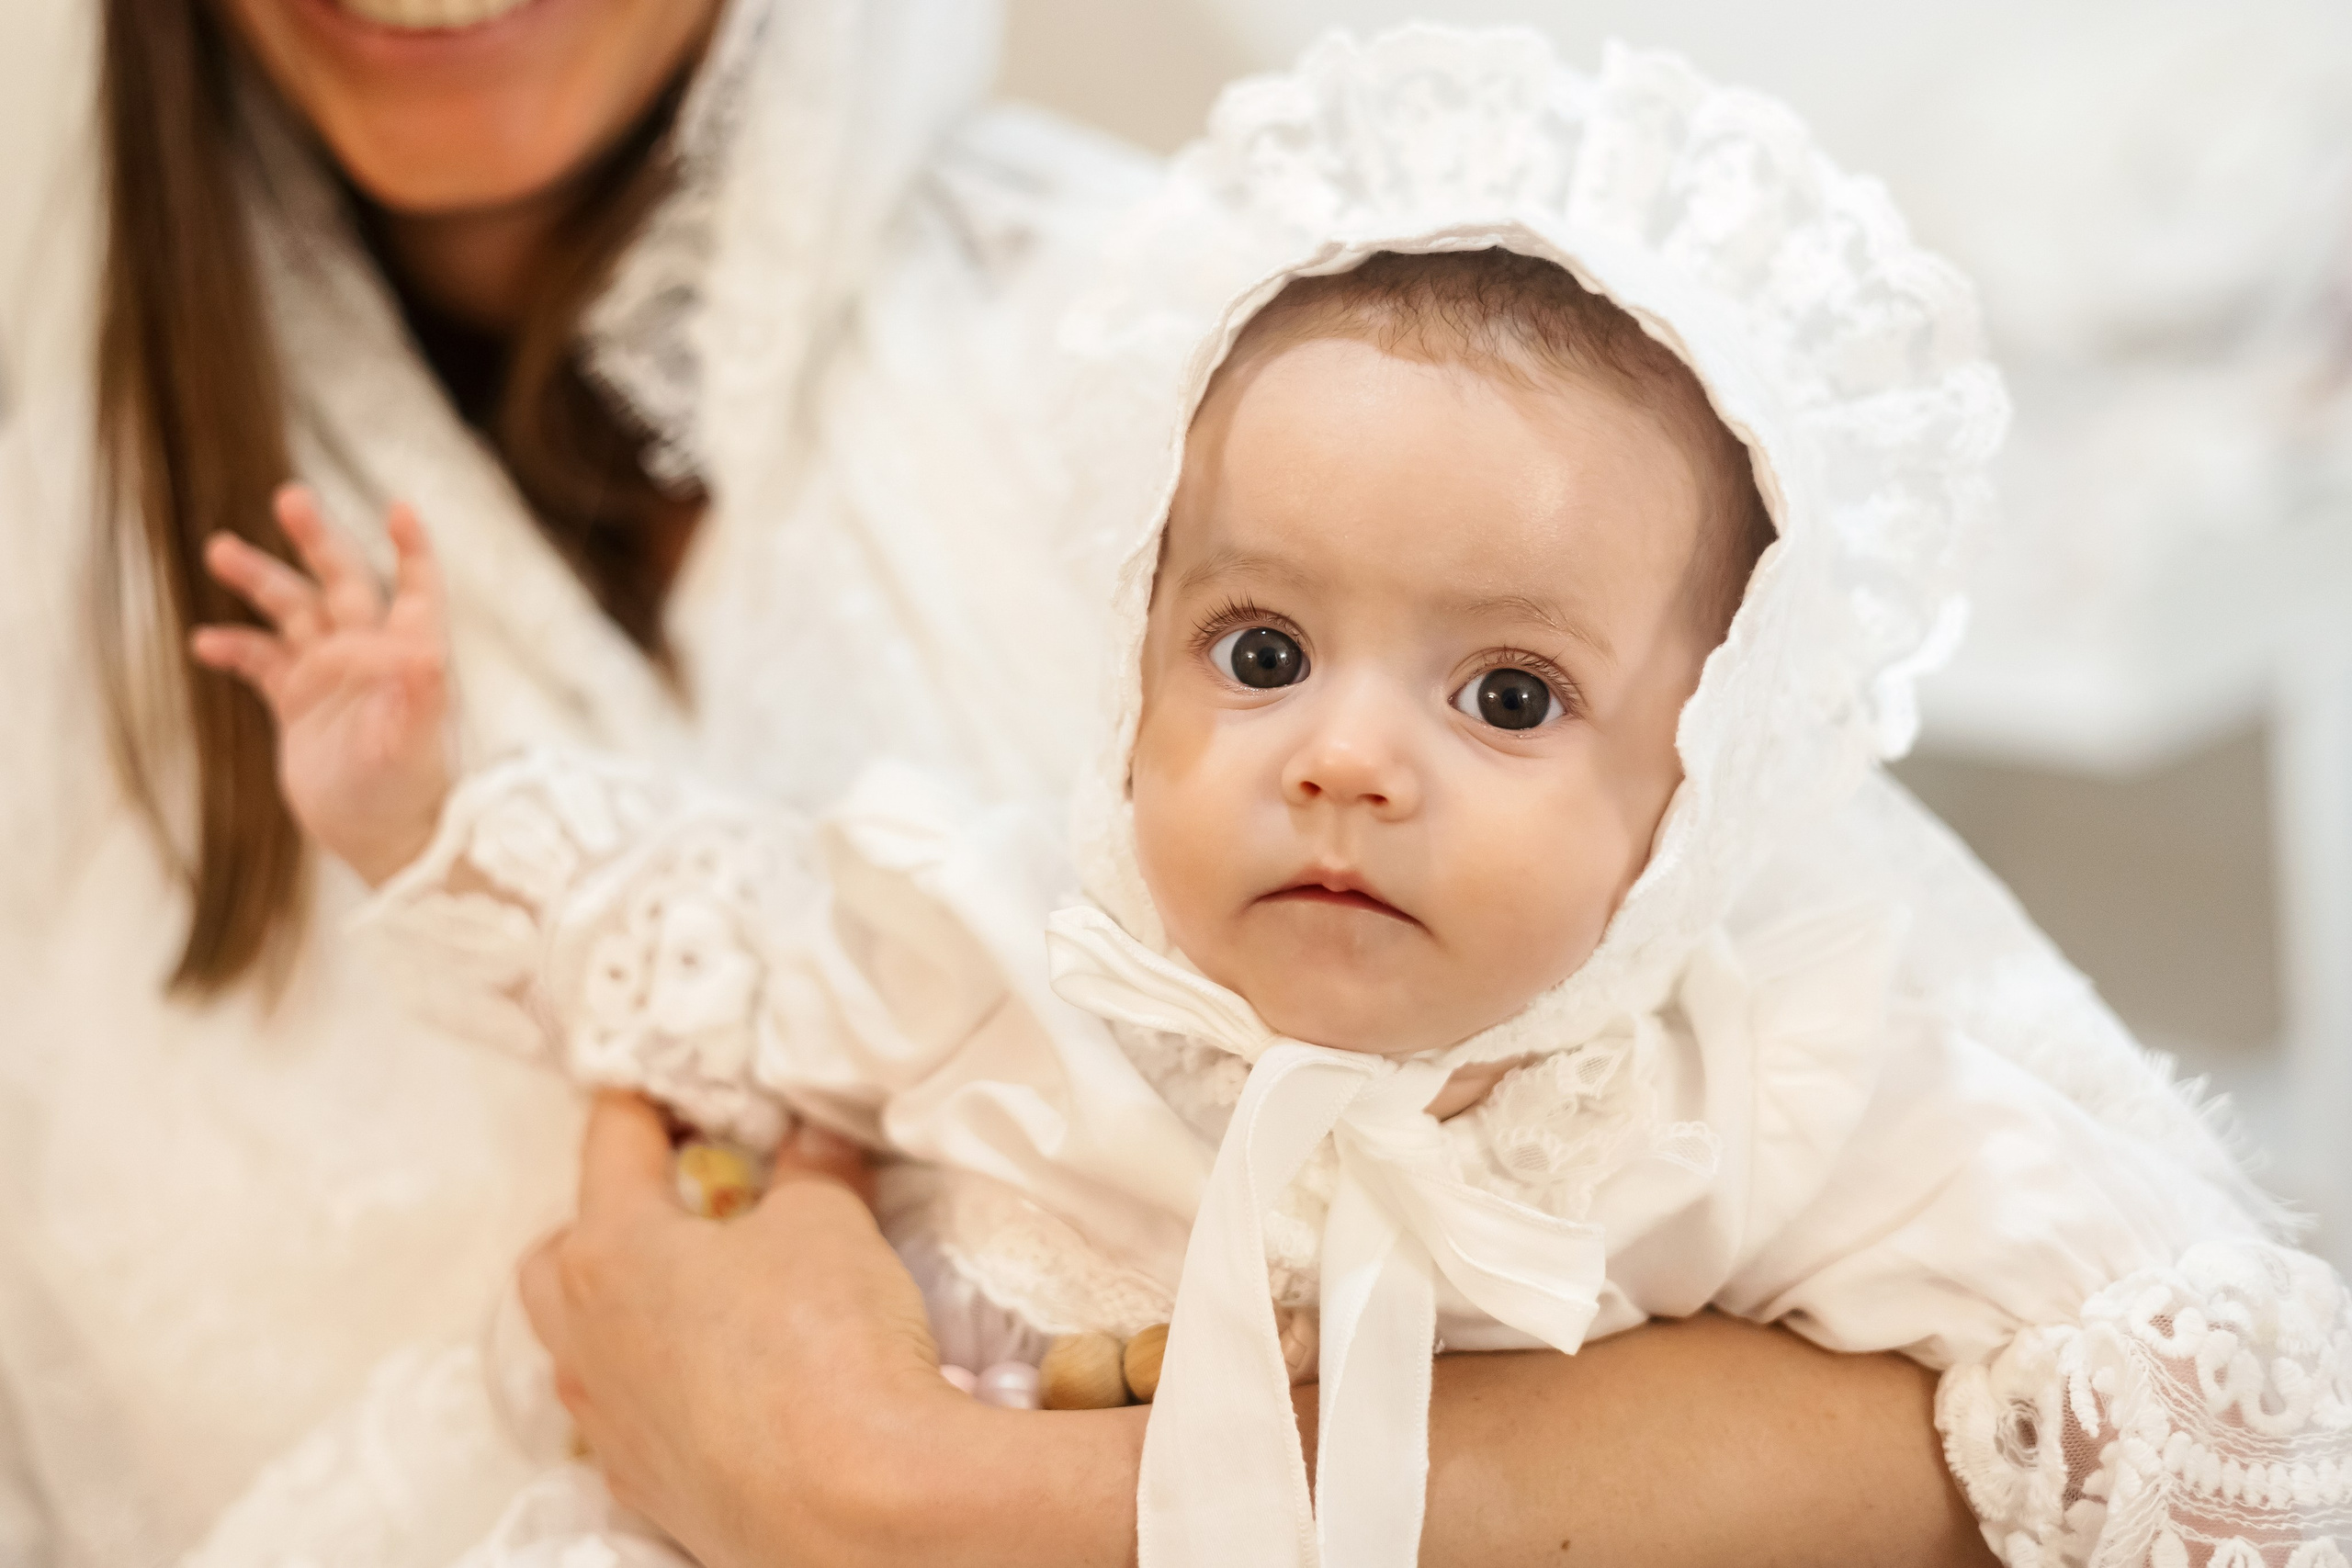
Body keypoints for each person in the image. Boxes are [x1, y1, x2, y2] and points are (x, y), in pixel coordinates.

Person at [188, 31, 2352, 1568]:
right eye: (1255, 652)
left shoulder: (1739, 1073)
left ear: (1696, 778)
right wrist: (416, 800)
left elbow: (2184, 1370)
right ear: (1129, 674)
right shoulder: (1012, 936)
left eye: (1503, 692)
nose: (1341, 751)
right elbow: (693, 934)